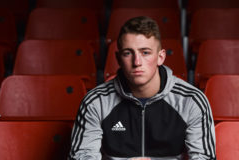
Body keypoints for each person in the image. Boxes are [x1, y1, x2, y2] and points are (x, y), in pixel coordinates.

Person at [70, 16, 216, 160]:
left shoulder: (191, 101)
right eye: (128, 53)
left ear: (161, 57)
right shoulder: (96, 102)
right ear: (118, 58)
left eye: (145, 52)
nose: (137, 62)